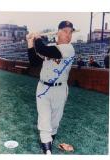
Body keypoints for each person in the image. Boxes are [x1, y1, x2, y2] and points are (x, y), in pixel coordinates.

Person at [26, 21, 76, 154]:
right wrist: (30, 43)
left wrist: (37, 37)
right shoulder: (51, 46)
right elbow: (34, 62)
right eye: (65, 31)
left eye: (70, 32)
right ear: (58, 32)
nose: (68, 34)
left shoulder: (69, 49)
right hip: (43, 88)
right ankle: (47, 152)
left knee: (54, 122)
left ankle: (49, 141)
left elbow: (43, 49)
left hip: (60, 89)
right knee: (44, 120)